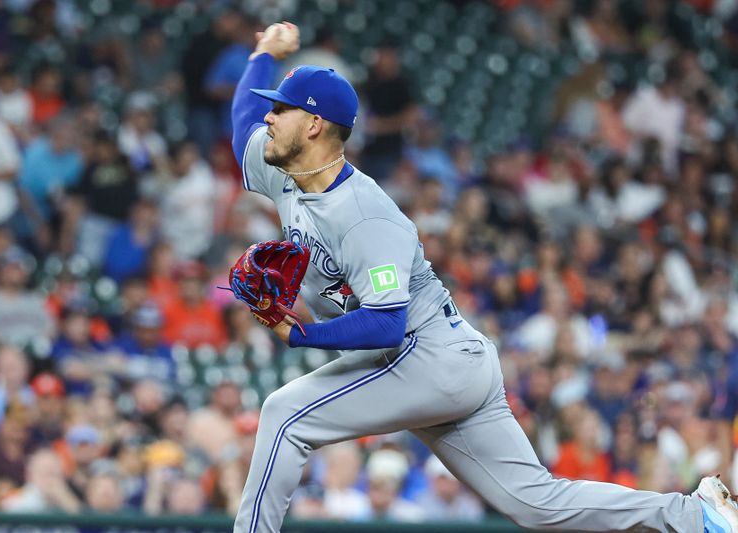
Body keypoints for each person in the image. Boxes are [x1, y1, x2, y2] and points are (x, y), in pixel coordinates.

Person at [228, 21, 737, 533]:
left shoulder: (364, 214)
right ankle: (694, 517)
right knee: (539, 505)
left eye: (282, 109)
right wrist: (262, 54)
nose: (269, 118)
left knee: (284, 415)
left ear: (314, 125)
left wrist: (300, 334)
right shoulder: (285, 172)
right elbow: (242, 127)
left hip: (425, 359)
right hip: (445, 361)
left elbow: (386, 324)